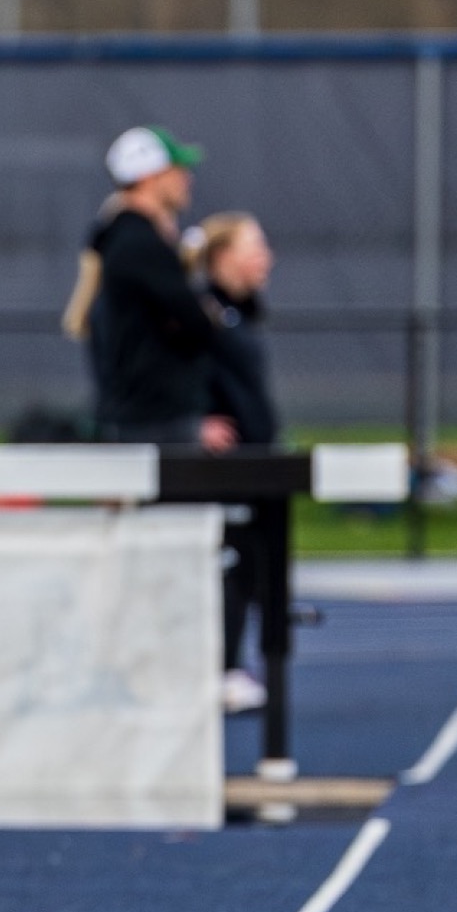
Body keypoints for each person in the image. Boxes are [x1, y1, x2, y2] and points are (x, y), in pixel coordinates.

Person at [68, 125, 227, 448]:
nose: (188, 179)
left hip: (142, 419)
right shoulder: (139, 243)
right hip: (154, 423)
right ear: (150, 176)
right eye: (178, 170)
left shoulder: (122, 237)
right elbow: (198, 323)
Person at [190, 212, 280, 713]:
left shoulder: (244, 313)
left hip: (255, 463)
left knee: (251, 569)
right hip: (220, 469)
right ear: (222, 257)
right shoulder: (202, 312)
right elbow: (180, 369)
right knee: (224, 566)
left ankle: (235, 661)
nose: (265, 259)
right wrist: (198, 422)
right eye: (255, 247)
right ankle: (219, 666)